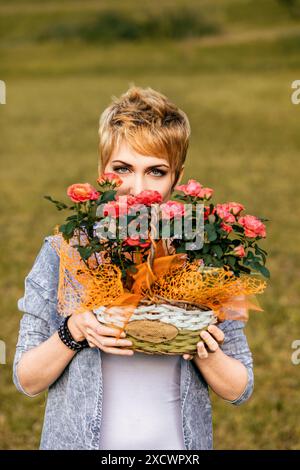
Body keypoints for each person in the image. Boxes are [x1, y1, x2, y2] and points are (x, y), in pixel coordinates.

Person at [12, 85, 254, 450]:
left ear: (177, 177)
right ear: (102, 171)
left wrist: (206, 351)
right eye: (122, 169)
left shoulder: (204, 258)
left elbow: (239, 388)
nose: (136, 188)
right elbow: (27, 379)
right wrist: (73, 331)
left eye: (156, 172)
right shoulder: (65, 253)